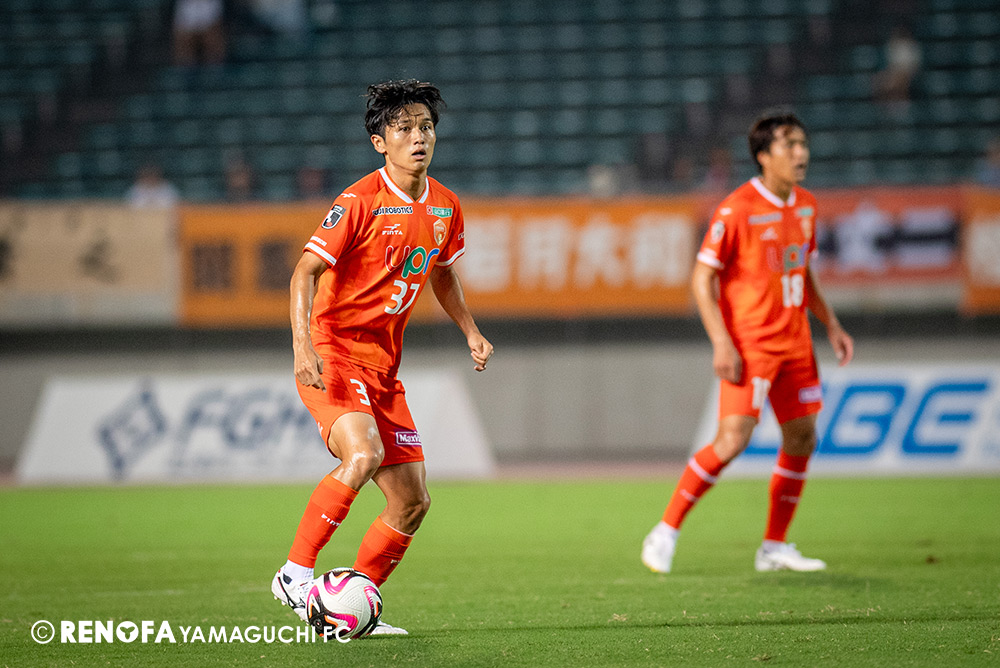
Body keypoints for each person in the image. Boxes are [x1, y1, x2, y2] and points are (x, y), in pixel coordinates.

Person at [271, 80, 493, 635]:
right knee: (363, 453)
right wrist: (302, 347)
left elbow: (442, 273)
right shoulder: (359, 201)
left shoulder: (445, 205)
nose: (419, 138)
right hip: (334, 351)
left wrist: (469, 329)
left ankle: (349, 611)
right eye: (405, 129)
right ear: (379, 142)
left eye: (426, 127)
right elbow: (304, 272)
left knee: (412, 502)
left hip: (384, 368)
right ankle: (294, 573)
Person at [641, 110, 854, 574]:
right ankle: (665, 530)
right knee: (733, 440)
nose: (801, 153)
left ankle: (774, 547)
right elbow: (702, 278)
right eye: (789, 145)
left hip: (796, 343)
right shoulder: (737, 208)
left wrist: (832, 325)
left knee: (802, 437)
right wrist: (721, 341)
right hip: (752, 345)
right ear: (763, 156)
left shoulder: (806, 205)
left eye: (803, 144)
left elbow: (803, 271)